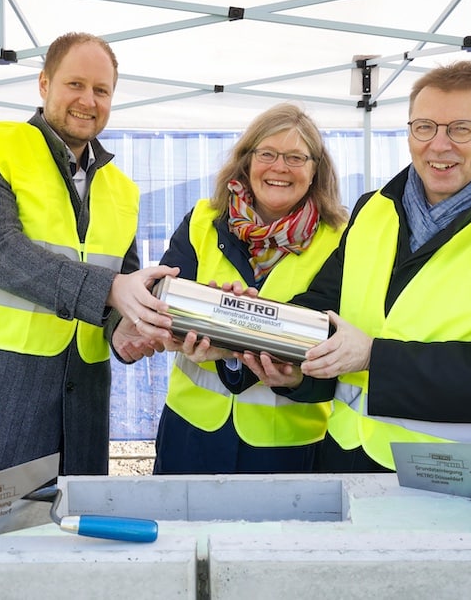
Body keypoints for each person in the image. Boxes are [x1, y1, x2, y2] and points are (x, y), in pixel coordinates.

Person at [243, 60, 471, 473]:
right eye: (424, 127)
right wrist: (260, 334)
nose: (439, 145)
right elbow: (325, 310)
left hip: (458, 479)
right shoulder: (374, 210)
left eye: (461, 129)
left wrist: (374, 357)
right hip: (345, 461)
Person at [0, 32, 176, 477]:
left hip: (83, 403)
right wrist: (112, 290)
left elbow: (123, 284)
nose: (88, 100)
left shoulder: (123, 190)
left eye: (101, 90)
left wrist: (125, 330)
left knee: (71, 536)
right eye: (74, 84)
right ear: (44, 84)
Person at [140, 103, 349, 474]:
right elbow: (165, 300)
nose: (279, 168)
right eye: (267, 153)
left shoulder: (341, 239)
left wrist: (223, 330)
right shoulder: (203, 220)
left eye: (296, 157)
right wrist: (169, 331)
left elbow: (335, 344)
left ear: (317, 169)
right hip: (192, 431)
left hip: (287, 443)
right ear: (246, 160)